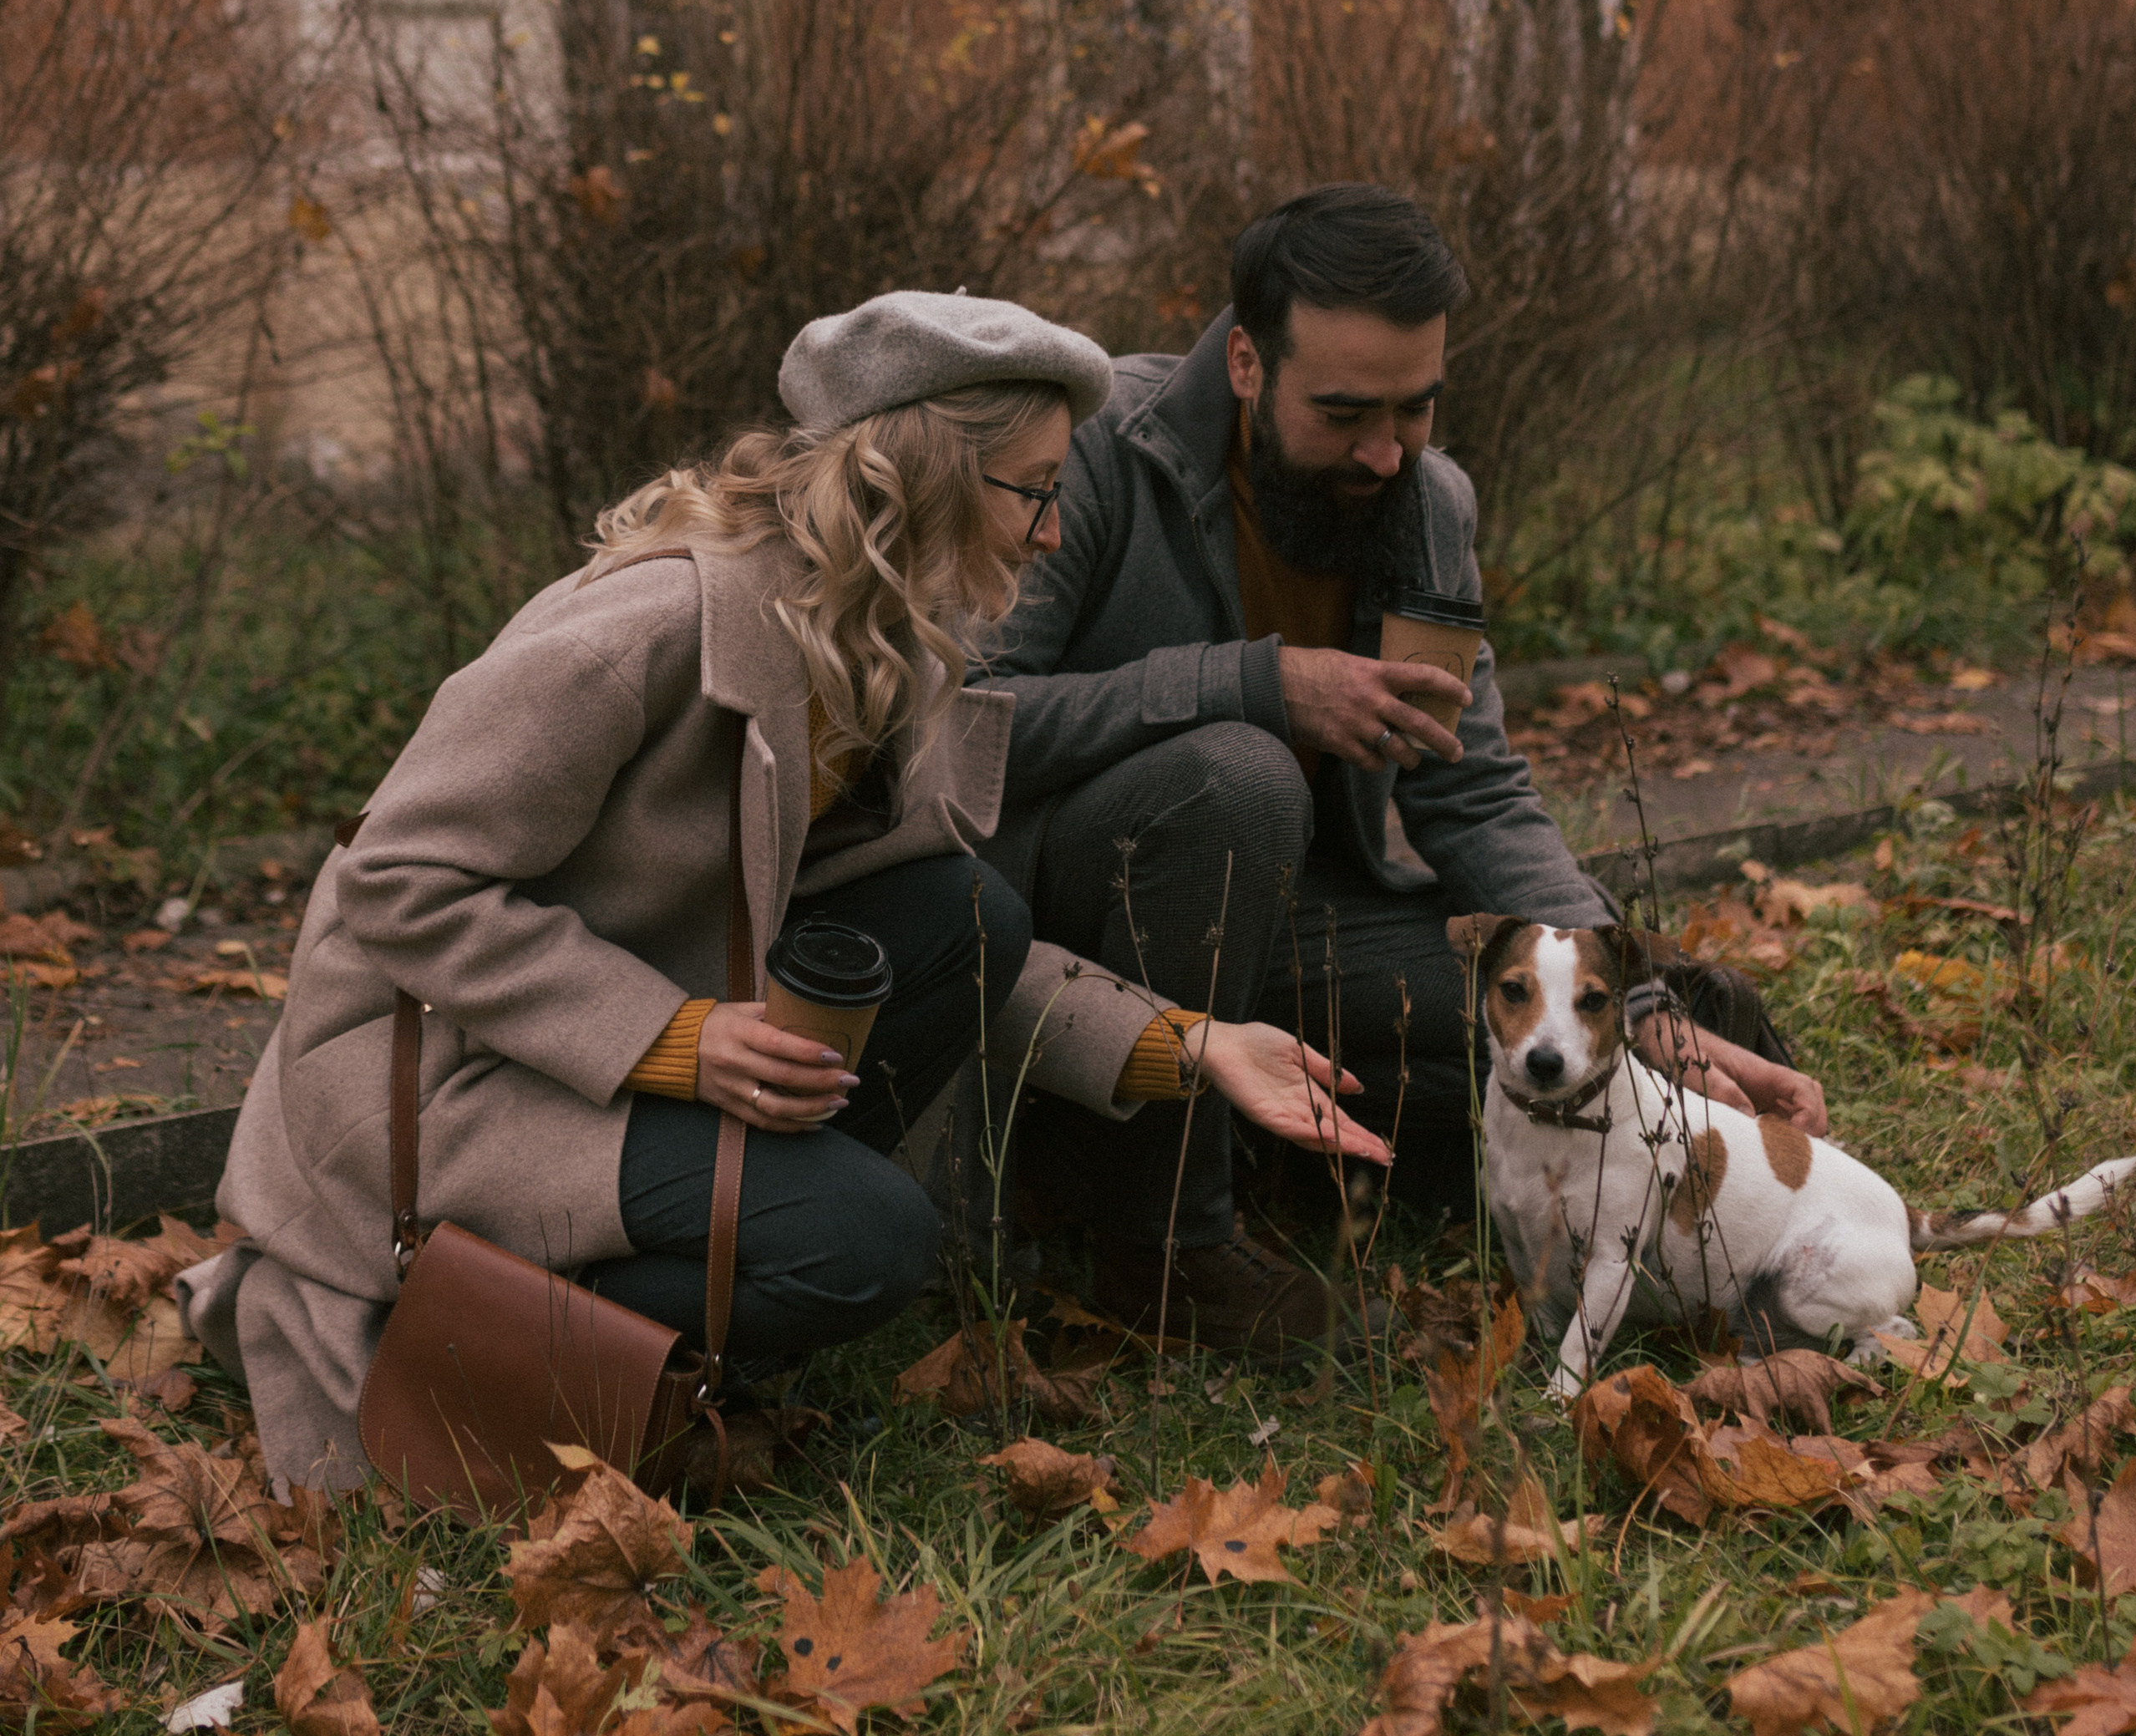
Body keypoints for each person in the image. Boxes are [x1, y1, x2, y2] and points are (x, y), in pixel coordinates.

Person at [175, 290, 1384, 1490]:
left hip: (608, 1055)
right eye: (1034, 490)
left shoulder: (881, 639)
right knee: (871, 1245)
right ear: (926, 476)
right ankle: (467, 1335)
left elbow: (963, 945)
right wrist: (676, 1038)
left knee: (968, 913)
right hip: (458, 1076)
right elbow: (397, 878)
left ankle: (691, 1296)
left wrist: (1193, 1043)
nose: (1054, 533)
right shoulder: (648, 625)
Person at [981, 185, 1825, 1356]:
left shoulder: (1426, 506)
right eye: (1343, 414)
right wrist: (1255, 685)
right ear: (1244, 363)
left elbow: (1470, 788)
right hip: (1085, 924)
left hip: (1298, 932)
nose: (1385, 451)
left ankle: (1684, 1216)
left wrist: (1640, 1011)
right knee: (1240, 775)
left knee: (1640, 1015)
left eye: (1415, 408)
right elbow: (968, 720)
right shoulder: (1090, 454)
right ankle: (1163, 1250)